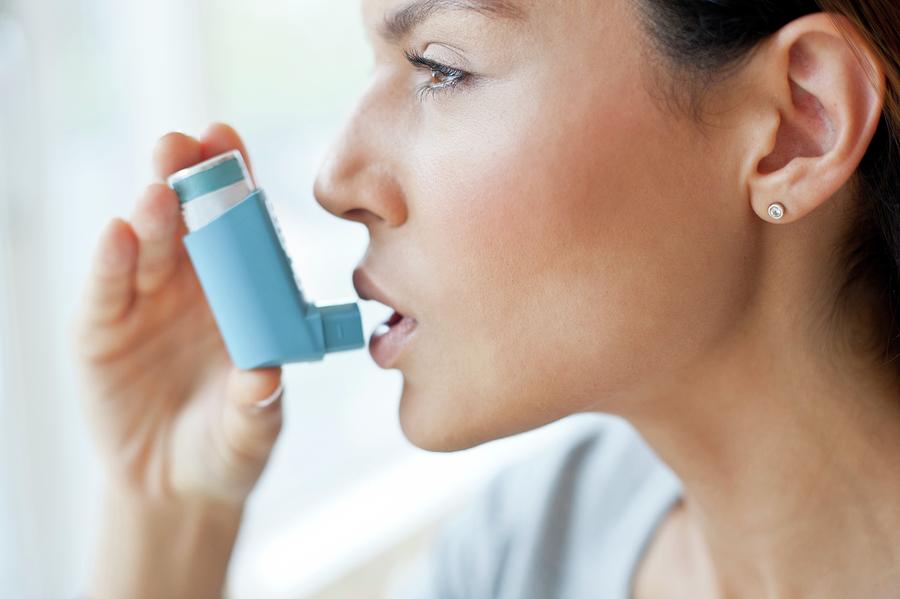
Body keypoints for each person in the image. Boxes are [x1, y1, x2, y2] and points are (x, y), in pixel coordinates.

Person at [70, 0, 900, 597]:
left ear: (800, 125)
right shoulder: (521, 551)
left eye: (441, 66)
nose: (334, 181)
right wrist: (170, 514)